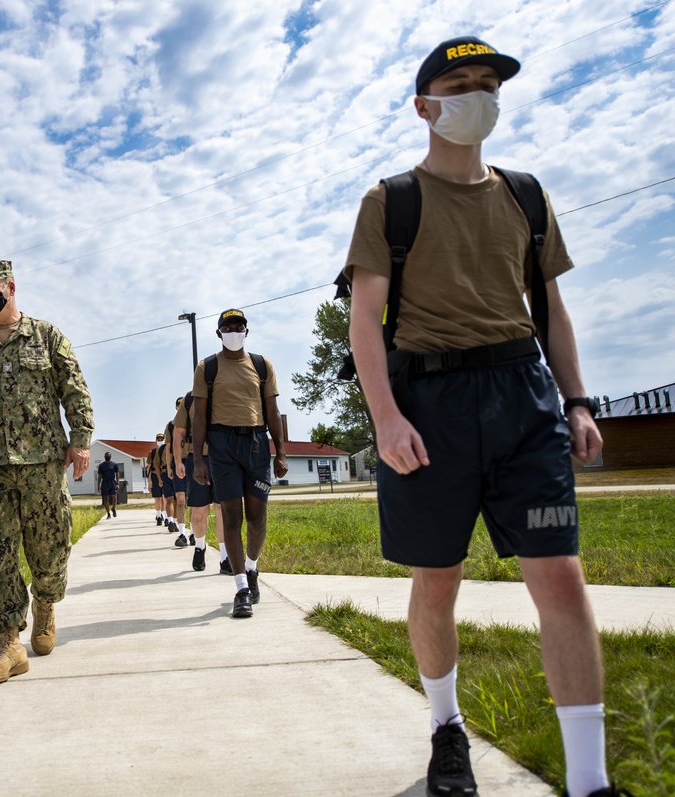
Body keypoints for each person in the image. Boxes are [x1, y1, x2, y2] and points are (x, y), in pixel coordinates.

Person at [344, 37, 624, 797]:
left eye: (488, 83)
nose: (479, 95)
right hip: (429, 409)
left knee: (561, 577)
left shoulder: (526, 196)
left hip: (521, 398)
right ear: (425, 106)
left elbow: (551, 309)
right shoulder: (391, 201)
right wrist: (387, 419)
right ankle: (446, 727)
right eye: (460, 84)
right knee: (438, 582)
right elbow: (364, 322)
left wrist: (576, 399)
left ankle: (589, 780)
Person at [0, 259, 93, 685]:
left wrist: (80, 439)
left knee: (48, 547)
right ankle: (8, 643)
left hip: (42, 463)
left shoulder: (47, 336)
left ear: (10, 286)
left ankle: (45, 604)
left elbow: (74, 390)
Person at [191, 309, 287, 619]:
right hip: (222, 448)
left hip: (256, 445)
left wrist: (281, 452)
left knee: (257, 517)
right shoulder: (207, 368)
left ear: (247, 331)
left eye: (239, 326)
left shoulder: (261, 365)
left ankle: (252, 567)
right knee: (232, 518)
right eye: (227, 327)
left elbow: (272, 411)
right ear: (219, 333)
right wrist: (198, 461)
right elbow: (199, 417)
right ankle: (241, 588)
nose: (234, 330)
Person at [173, 391, 229, 573]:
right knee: (199, 512)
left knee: (222, 508)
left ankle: (225, 557)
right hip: (197, 460)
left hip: (222, 459)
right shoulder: (189, 400)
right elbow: (179, 432)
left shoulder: (224, 394)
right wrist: (178, 462)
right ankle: (199, 547)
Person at [164, 399, 191, 547]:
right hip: (178, 463)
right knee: (180, 500)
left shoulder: (195, 419)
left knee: (195, 500)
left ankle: (194, 532)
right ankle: (182, 534)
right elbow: (168, 449)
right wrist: (169, 467)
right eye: (178, 406)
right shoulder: (170, 426)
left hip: (194, 461)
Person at [146, 433, 167, 526]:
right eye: (158, 439)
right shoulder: (152, 452)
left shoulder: (167, 450)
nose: (160, 441)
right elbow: (149, 467)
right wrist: (149, 480)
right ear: (156, 441)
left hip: (164, 474)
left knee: (166, 497)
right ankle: (159, 516)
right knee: (157, 498)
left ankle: (167, 516)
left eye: (161, 439)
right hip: (154, 475)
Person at [97, 451, 120, 517]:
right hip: (105, 482)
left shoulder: (114, 465)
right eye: (106, 456)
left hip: (112, 482)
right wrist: (98, 485)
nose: (108, 457)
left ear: (110, 457)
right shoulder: (101, 466)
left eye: (109, 456)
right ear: (104, 457)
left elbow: (117, 474)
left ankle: (113, 508)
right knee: (106, 499)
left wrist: (118, 483)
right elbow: (100, 476)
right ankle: (108, 513)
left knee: (114, 497)